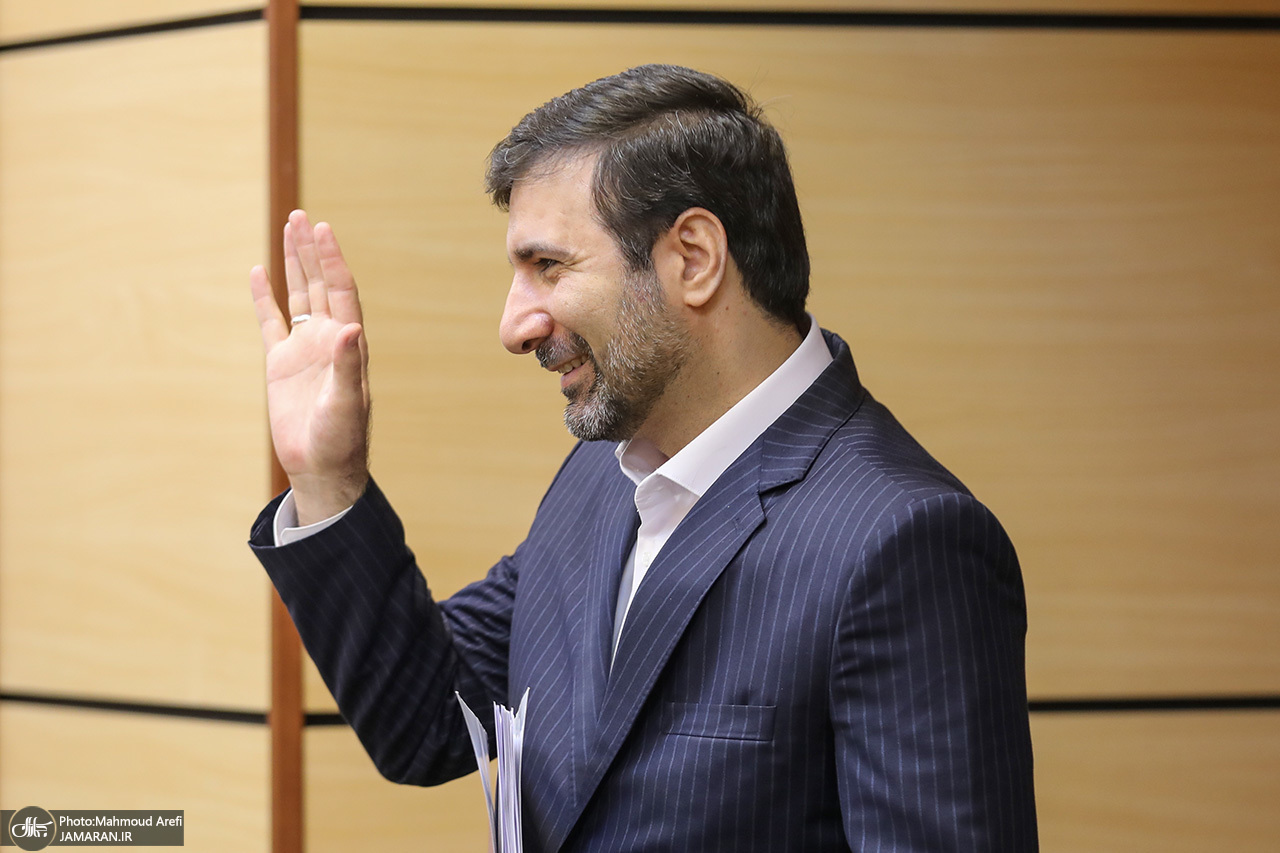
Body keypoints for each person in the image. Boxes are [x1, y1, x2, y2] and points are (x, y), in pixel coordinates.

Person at [248, 64, 1037, 851]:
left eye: (548, 266)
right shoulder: (603, 476)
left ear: (693, 257)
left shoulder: (905, 540)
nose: (514, 326)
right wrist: (327, 479)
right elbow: (426, 719)